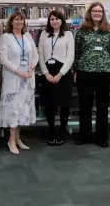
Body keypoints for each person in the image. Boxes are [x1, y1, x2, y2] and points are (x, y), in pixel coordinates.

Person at [73, 2, 110, 148]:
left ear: (103, 13)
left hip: (104, 74)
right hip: (84, 73)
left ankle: (102, 137)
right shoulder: (81, 31)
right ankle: (84, 135)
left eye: (100, 11)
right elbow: (77, 51)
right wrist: (75, 70)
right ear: (90, 12)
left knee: (102, 107)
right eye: (95, 11)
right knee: (85, 107)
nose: (97, 13)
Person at [0, 11, 39, 154]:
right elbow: (3, 59)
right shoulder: (5, 37)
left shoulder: (28, 36)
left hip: (27, 80)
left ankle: (17, 139)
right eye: (16, 19)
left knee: (22, 110)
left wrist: (32, 65)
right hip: (14, 78)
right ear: (11, 22)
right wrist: (18, 71)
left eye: (21, 20)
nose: (19, 22)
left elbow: (35, 54)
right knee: (13, 110)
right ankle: (11, 140)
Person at [38, 10, 75, 146]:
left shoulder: (68, 34)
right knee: (50, 105)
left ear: (62, 20)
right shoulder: (43, 34)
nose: (55, 21)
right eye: (52, 19)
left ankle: (62, 131)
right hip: (48, 72)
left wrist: (60, 74)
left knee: (64, 105)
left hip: (63, 74)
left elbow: (70, 56)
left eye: (57, 19)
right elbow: (40, 55)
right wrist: (46, 73)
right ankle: (51, 130)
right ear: (49, 21)